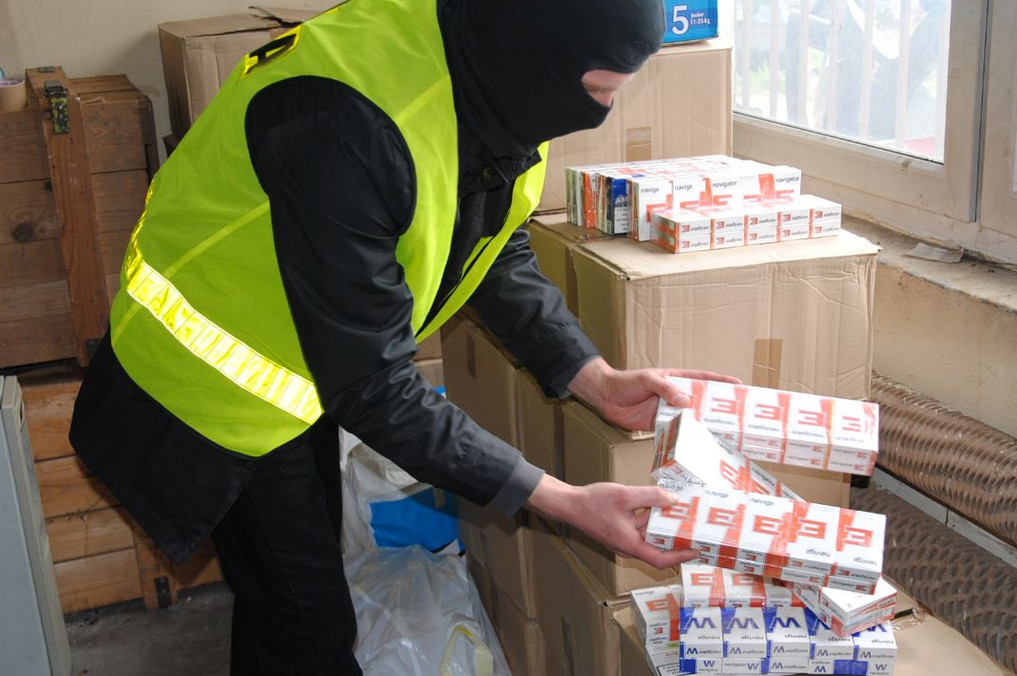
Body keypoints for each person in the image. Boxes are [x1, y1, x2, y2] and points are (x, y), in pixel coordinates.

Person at [69, 0, 730, 673]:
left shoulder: (488, 67)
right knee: (309, 620)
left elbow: (489, 244)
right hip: (203, 389)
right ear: (537, 53)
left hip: (293, 369)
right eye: (597, 91)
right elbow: (374, 387)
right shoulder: (347, 122)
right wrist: (563, 502)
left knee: (292, 596)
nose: (600, 113)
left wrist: (596, 378)